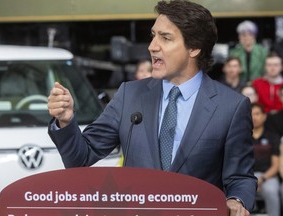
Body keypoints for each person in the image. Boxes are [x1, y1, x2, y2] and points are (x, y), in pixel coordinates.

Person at [48, 1, 257, 215]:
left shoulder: (231, 107)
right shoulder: (129, 95)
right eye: (153, 35)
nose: (152, 46)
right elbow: (81, 158)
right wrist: (65, 121)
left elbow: (240, 178)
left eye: (165, 38)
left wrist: (236, 200)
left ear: (194, 48)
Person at [251, 103, 281, 216]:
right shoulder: (241, 137)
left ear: (264, 116)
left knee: (271, 191)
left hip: (268, 176)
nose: (254, 117)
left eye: (257, 114)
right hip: (247, 176)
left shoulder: (273, 137)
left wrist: (262, 179)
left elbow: (275, 165)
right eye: (251, 114)